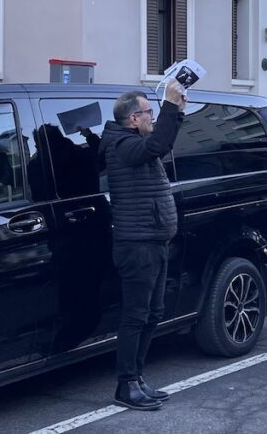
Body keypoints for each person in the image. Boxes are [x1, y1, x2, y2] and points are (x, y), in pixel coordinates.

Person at [100, 80, 186, 411]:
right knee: (136, 315)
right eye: (149, 111)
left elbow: (161, 140)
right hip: (136, 245)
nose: (152, 116)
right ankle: (126, 384)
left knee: (153, 313)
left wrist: (176, 111)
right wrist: (169, 104)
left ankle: (137, 377)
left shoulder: (137, 140)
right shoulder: (122, 146)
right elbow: (159, 146)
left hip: (154, 240)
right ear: (134, 118)